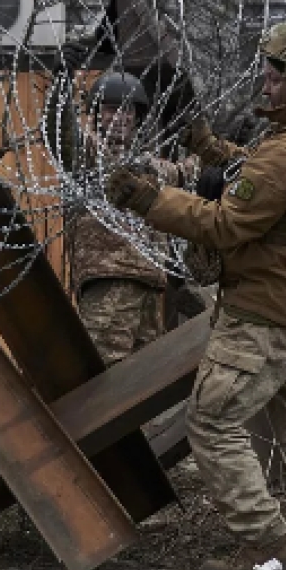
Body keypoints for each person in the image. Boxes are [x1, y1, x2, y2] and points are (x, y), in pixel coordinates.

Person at [106, 19, 286, 570]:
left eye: (277, 75)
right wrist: (210, 148)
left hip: (265, 312)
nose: (266, 83)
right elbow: (264, 181)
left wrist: (150, 199)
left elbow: (225, 224)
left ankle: (264, 541)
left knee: (212, 421)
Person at [64, 70, 202, 365]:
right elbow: (62, 133)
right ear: (96, 113)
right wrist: (61, 87)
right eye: (112, 108)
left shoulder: (150, 164)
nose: (121, 117)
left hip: (150, 281)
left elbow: (187, 174)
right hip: (110, 276)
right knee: (106, 370)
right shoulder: (90, 154)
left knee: (143, 376)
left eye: (128, 109)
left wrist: (220, 149)